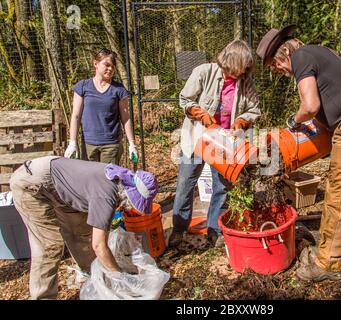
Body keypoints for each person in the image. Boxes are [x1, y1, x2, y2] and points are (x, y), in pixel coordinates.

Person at [256, 25, 341, 281]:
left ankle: (328, 264)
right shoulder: (318, 53)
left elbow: (311, 105)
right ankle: (327, 251)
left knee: (339, 197)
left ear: (285, 52)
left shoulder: (302, 56)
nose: (277, 71)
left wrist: (293, 120)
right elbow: (325, 110)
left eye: (275, 65)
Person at [9, 156, 157, 299]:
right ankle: (43, 296)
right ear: (128, 193)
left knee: (82, 232)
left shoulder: (119, 178)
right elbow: (99, 246)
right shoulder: (106, 195)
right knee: (50, 246)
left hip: (58, 187)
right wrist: (120, 277)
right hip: (32, 184)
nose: (130, 206)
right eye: (133, 202)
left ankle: (94, 275)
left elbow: (93, 238)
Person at [168, 39, 261, 248]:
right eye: (242, 67)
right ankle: (179, 230)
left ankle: (215, 231)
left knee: (222, 187)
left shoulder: (246, 82)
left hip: (225, 145)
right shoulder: (204, 71)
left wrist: (241, 121)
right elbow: (184, 99)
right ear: (232, 61)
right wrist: (201, 114)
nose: (244, 71)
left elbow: (254, 109)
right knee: (185, 185)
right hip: (196, 139)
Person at [64, 48, 138, 165]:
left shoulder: (118, 89)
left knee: (107, 180)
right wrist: (72, 142)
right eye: (107, 65)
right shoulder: (83, 86)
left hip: (111, 144)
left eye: (112, 67)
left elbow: (126, 118)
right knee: (90, 180)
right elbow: (76, 116)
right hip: (88, 143)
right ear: (95, 64)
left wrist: (132, 144)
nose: (110, 69)